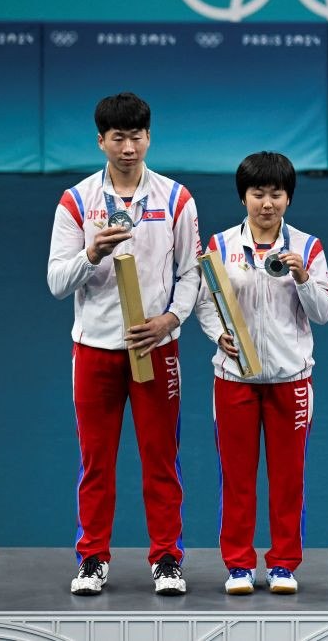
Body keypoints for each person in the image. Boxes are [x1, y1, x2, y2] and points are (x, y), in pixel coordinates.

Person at [47, 92, 200, 596]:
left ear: (149, 137)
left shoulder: (176, 199)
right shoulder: (76, 202)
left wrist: (169, 320)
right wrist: (91, 252)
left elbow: (190, 273)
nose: (129, 148)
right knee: (97, 460)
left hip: (157, 347)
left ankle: (167, 559)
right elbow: (56, 281)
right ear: (101, 141)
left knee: (161, 458)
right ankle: (92, 558)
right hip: (94, 350)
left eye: (137, 137)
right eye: (119, 138)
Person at [195, 152, 328, 595]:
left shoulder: (308, 247)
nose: (267, 203)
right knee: (237, 478)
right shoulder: (219, 246)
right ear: (244, 197)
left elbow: (325, 313)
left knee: (288, 478)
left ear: (288, 199)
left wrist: (305, 278)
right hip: (234, 380)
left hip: (291, 381)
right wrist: (219, 336)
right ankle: (238, 565)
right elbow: (204, 301)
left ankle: (282, 565)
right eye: (258, 193)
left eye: (276, 193)